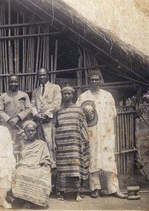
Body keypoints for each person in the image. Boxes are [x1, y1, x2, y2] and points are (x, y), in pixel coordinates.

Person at [76, 70, 125, 199]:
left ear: (100, 81)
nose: (94, 82)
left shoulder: (107, 96)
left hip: (106, 132)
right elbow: (79, 115)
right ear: (89, 81)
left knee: (109, 158)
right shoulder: (83, 97)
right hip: (91, 133)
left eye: (96, 79)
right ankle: (95, 188)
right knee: (93, 159)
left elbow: (113, 113)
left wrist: (105, 124)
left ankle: (114, 188)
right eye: (92, 79)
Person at [54, 86, 90, 201]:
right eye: (65, 94)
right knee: (63, 169)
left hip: (75, 144)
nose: (67, 96)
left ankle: (77, 193)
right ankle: (62, 192)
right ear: (62, 95)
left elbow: (83, 125)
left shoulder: (78, 110)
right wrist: (54, 142)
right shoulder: (58, 110)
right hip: (62, 143)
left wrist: (85, 141)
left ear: (72, 95)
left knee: (75, 168)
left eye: (69, 94)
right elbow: (54, 127)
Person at [12, 120, 52, 209]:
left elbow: (46, 157)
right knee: (21, 173)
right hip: (24, 165)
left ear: (35, 131)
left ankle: (37, 200)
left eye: (32, 130)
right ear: (25, 132)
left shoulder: (41, 144)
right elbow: (12, 148)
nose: (30, 133)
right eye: (28, 131)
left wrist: (44, 162)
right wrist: (17, 137)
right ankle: (26, 200)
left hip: (37, 165)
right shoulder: (22, 143)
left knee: (42, 173)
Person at [31, 67, 61, 166]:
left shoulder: (55, 88)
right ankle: (44, 164)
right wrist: (36, 114)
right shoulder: (36, 91)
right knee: (41, 143)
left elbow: (57, 103)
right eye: (40, 75)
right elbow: (32, 104)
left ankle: (53, 165)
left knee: (51, 142)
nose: (42, 77)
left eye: (44, 75)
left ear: (47, 75)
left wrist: (46, 114)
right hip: (39, 122)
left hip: (50, 121)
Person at [0, 74, 31, 149]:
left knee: (22, 145)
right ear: (8, 83)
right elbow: (0, 110)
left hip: (21, 125)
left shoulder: (24, 95)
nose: (13, 84)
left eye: (15, 82)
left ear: (19, 82)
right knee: (8, 145)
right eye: (11, 82)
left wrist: (18, 118)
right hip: (8, 125)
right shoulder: (3, 96)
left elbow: (28, 108)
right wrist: (9, 119)